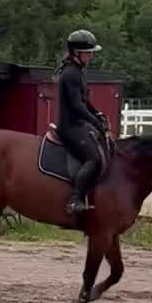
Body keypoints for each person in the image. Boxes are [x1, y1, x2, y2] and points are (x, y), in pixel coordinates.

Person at [54, 29, 109, 215]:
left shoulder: (77, 71)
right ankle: (74, 200)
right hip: (70, 127)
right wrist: (95, 121)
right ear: (77, 53)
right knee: (93, 159)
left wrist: (98, 113)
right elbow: (77, 106)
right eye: (89, 52)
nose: (91, 56)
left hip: (77, 124)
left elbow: (84, 102)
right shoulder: (71, 74)